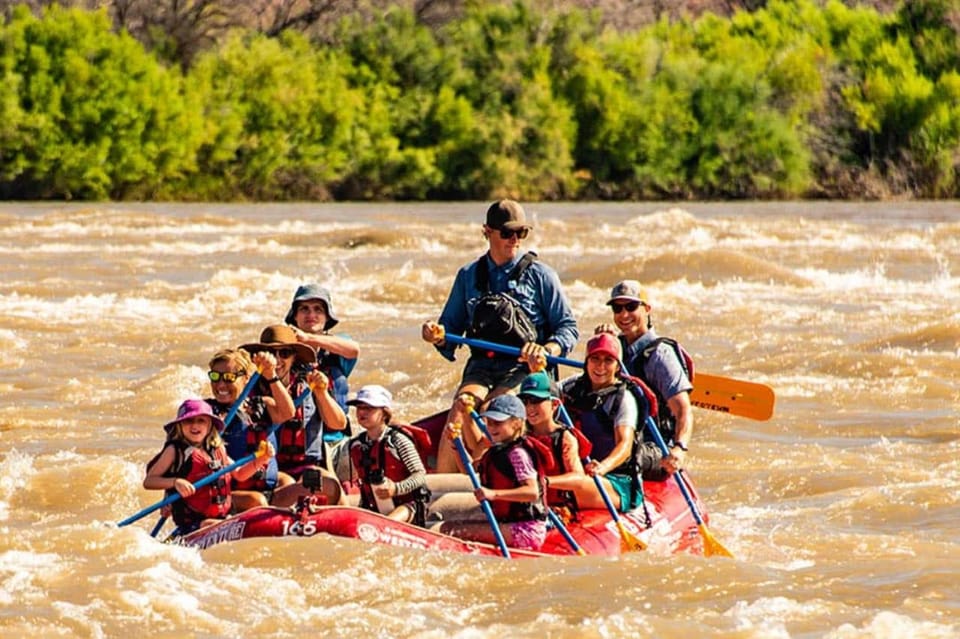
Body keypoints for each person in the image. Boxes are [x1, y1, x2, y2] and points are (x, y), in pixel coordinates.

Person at [421, 200, 579, 472]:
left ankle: (492, 477)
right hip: (482, 366)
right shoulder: (468, 275)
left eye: (521, 233)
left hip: (524, 367)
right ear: (487, 232)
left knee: (495, 408)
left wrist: (548, 349)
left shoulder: (541, 276)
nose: (514, 239)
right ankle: (440, 492)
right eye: (507, 233)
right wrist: (436, 336)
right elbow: (449, 331)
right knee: (461, 405)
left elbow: (567, 328)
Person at [595, 280, 693, 480]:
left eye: (631, 307)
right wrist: (602, 345)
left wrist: (680, 448)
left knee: (628, 456)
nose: (623, 315)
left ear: (647, 309)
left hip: (654, 447)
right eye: (617, 308)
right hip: (620, 435)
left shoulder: (660, 355)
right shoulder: (616, 347)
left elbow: (683, 408)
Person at [241, 325, 347, 506]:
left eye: (285, 353)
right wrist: (270, 375)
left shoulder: (309, 384)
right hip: (270, 472)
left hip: (306, 467)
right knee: (288, 482)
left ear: (294, 357)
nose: (277, 360)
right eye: (271, 353)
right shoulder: (249, 390)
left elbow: (339, 424)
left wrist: (321, 394)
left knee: (329, 482)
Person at [144, 399, 276, 534]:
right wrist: (175, 482)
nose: (194, 426)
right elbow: (149, 481)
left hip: (222, 517)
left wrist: (262, 459)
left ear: (210, 425)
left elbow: (240, 474)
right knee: (209, 524)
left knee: (256, 502)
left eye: (201, 420)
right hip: (194, 522)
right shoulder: (174, 451)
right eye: (188, 421)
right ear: (180, 425)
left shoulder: (218, 448)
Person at [439, 394, 549, 551]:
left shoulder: (518, 454)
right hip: (507, 520)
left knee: (448, 529)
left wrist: (493, 494)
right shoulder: (498, 448)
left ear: (517, 423)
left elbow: (532, 492)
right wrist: (456, 445)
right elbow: (468, 470)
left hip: (525, 531)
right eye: (489, 423)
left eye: (498, 423)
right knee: (450, 522)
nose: (491, 428)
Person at [559, 333, 647, 513]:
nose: (600, 366)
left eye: (608, 360)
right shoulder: (571, 386)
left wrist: (602, 467)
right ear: (586, 361)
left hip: (616, 480)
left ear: (617, 366)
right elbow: (543, 401)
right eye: (595, 359)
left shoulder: (624, 399)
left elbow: (625, 445)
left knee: (573, 486)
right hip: (578, 470)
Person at [204, 347, 296, 511]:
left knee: (290, 483)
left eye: (229, 377)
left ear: (246, 379)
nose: (221, 384)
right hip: (229, 493)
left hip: (265, 489)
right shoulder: (205, 413)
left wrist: (271, 375)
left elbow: (288, 413)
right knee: (257, 500)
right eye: (215, 377)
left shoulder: (261, 405)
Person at [345, 385, 431, 525]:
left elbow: (420, 475)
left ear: (384, 413)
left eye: (369, 408)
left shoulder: (398, 441)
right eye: (359, 407)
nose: (362, 412)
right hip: (374, 507)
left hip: (409, 507)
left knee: (386, 523)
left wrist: (396, 489)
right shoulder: (356, 445)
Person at [518, 371, 590, 515]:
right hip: (522, 503)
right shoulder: (518, 433)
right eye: (525, 401)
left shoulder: (564, 437)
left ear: (555, 404)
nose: (529, 407)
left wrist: (545, 481)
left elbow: (579, 478)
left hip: (557, 509)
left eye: (536, 401)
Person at [284, 283, 359, 413]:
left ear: (327, 317)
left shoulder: (338, 346)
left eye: (318, 309)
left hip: (333, 431)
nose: (311, 314)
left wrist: (308, 338)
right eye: (304, 309)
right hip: (297, 430)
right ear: (295, 316)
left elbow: (354, 350)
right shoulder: (284, 350)